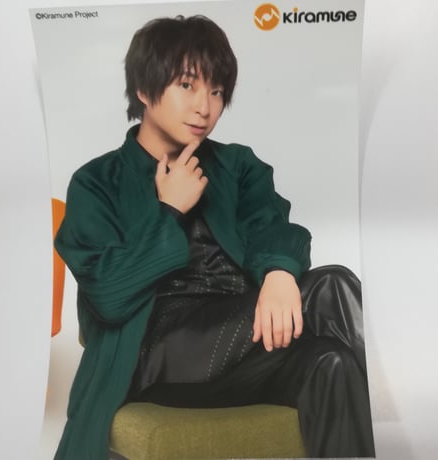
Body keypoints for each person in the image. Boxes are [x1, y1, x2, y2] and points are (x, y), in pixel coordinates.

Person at [54, 14, 375, 460]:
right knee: (331, 287)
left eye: (217, 91)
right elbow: (108, 295)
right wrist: (169, 210)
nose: (205, 107)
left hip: (243, 342)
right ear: (144, 90)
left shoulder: (236, 166)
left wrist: (280, 273)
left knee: (332, 363)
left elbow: (272, 225)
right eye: (187, 85)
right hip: (153, 352)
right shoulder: (96, 182)